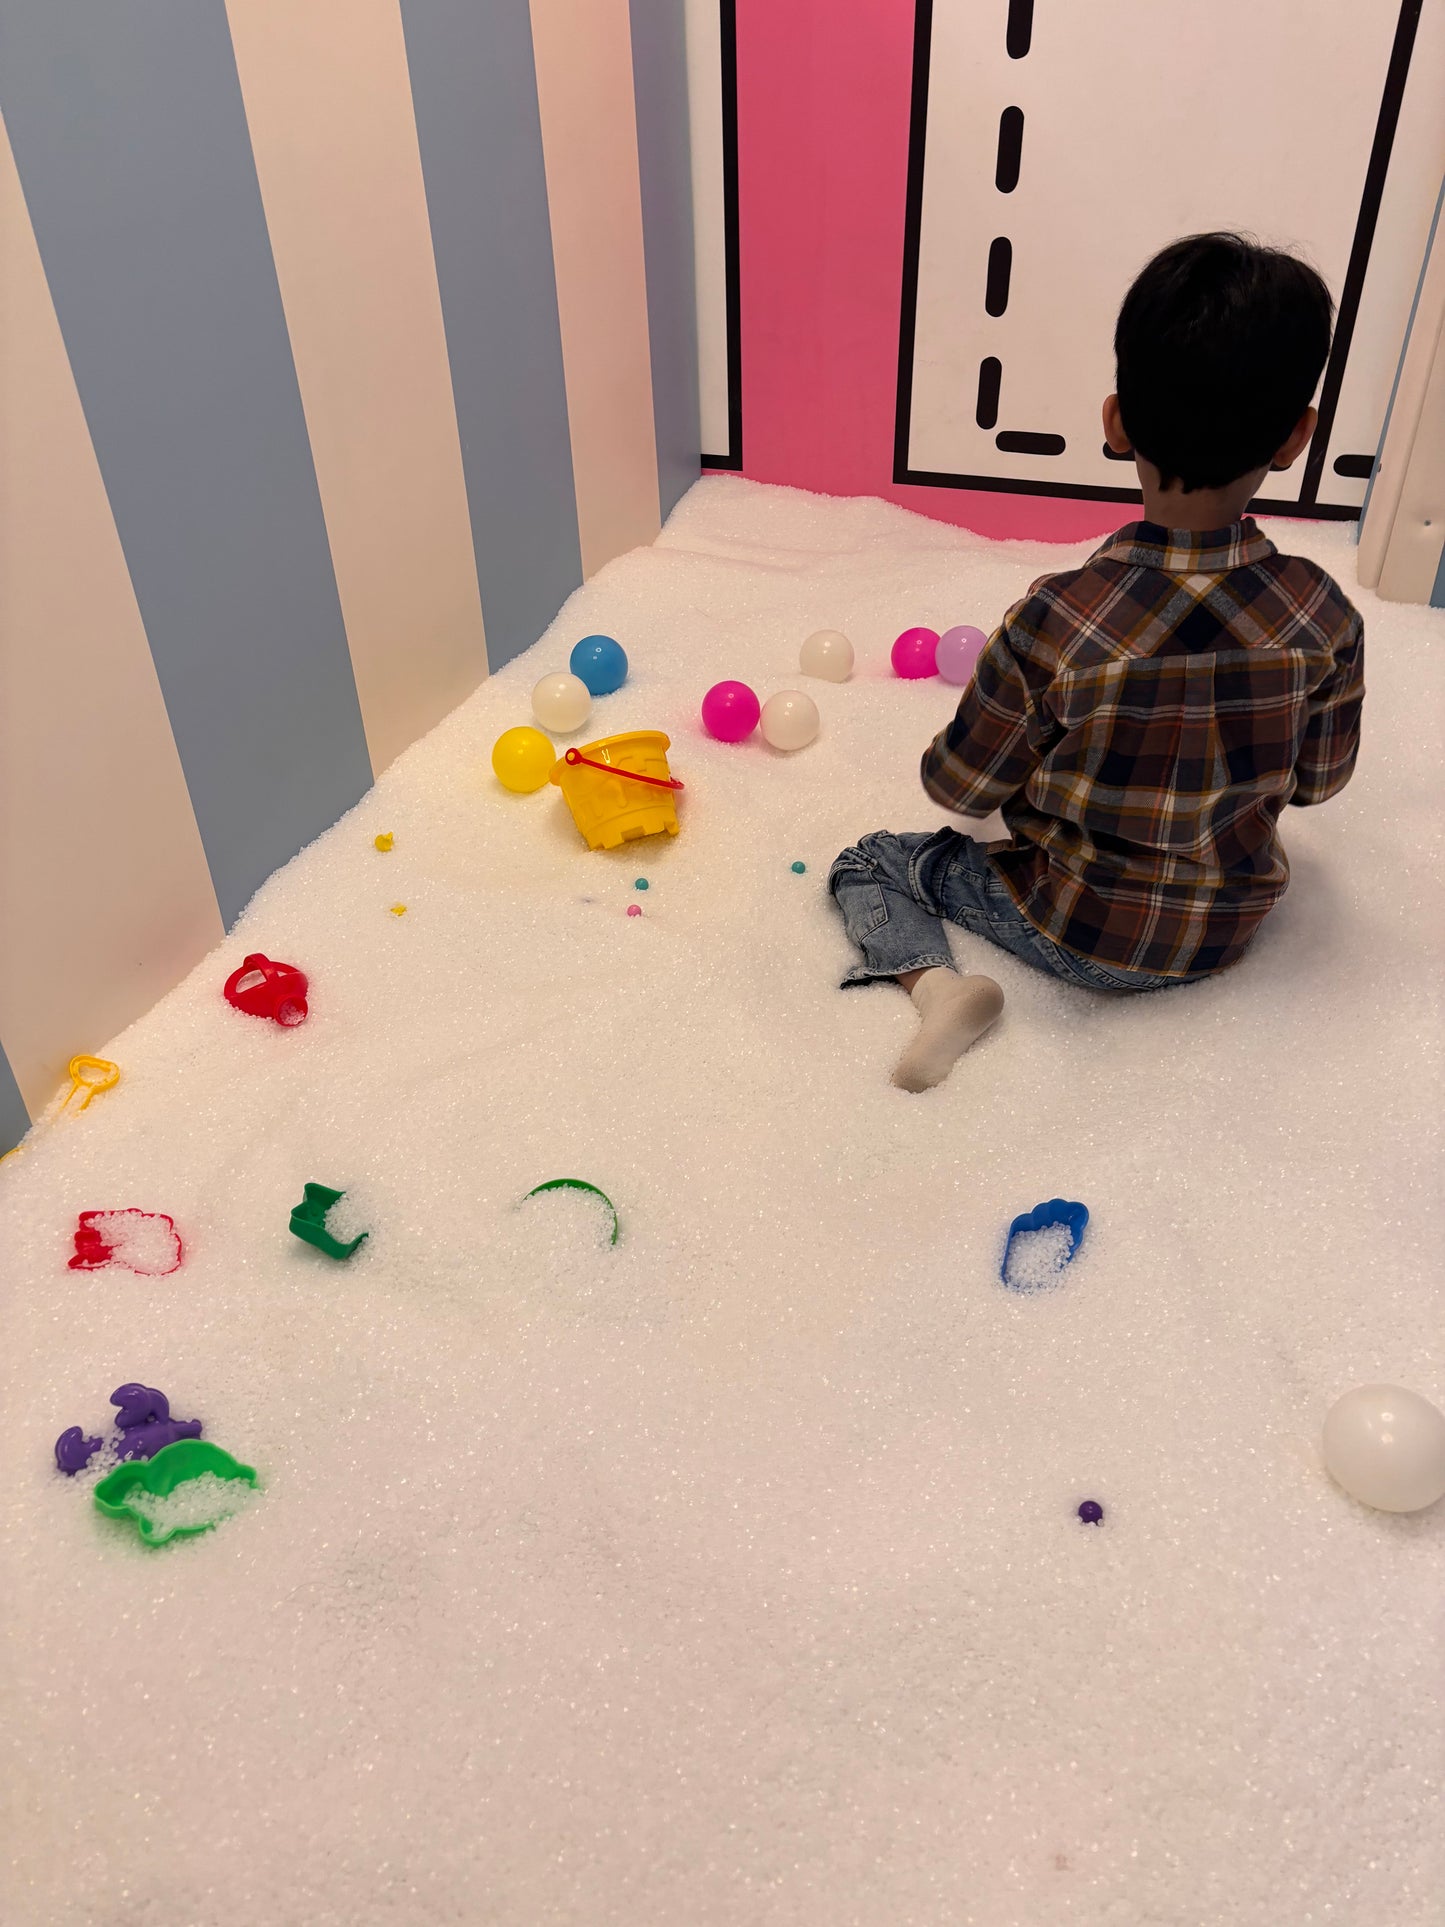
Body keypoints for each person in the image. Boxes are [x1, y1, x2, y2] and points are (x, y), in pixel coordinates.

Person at [830, 232, 1365, 1093]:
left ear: (1114, 421)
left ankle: (938, 988)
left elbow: (957, 789)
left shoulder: (1058, 617)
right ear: (1295, 438)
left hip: (1079, 933)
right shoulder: (1321, 613)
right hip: (1230, 927)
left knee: (870, 861)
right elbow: (1317, 784)